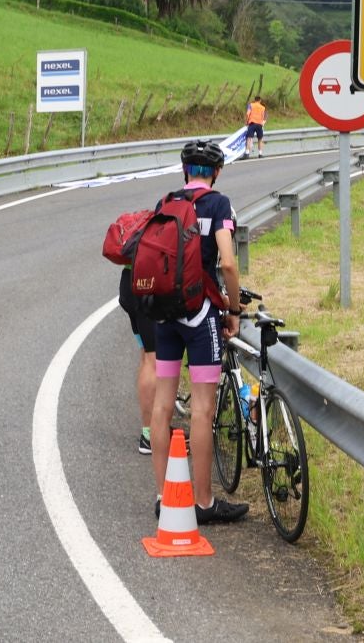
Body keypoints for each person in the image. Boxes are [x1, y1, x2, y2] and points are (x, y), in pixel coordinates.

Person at [149, 139, 249, 524]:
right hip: (199, 316)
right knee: (203, 411)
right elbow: (228, 264)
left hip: (164, 316)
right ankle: (204, 503)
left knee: (162, 405)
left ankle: (164, 495)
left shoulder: (166, 202)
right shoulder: (218, 205)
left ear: (184, 171)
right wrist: (234, 309)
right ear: (217, 173)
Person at [117, 266, 159, 454]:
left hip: (129, 281)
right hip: (149, 283)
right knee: (153, 359)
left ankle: (150, 430)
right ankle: (150, 435)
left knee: (146, 355)